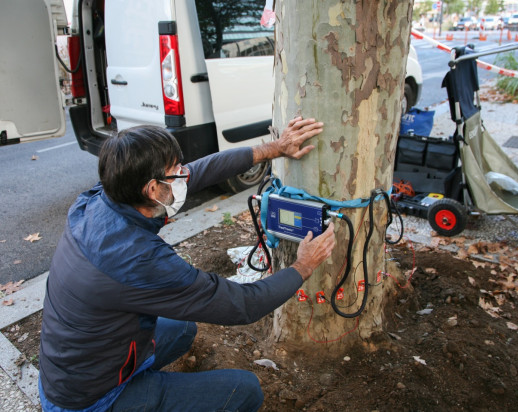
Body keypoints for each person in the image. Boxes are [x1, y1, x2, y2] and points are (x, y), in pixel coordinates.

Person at [39, 117, 336, 412]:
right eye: (176, 172)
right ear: (153, 190)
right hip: (89, 401)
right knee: (245, 390)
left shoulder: (97, 201)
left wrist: (274, 148)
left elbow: (199, 172)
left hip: (73, 367)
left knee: (181, 329)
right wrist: (303, 266)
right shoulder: (140, 261)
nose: (185, 175)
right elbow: (242, 305)